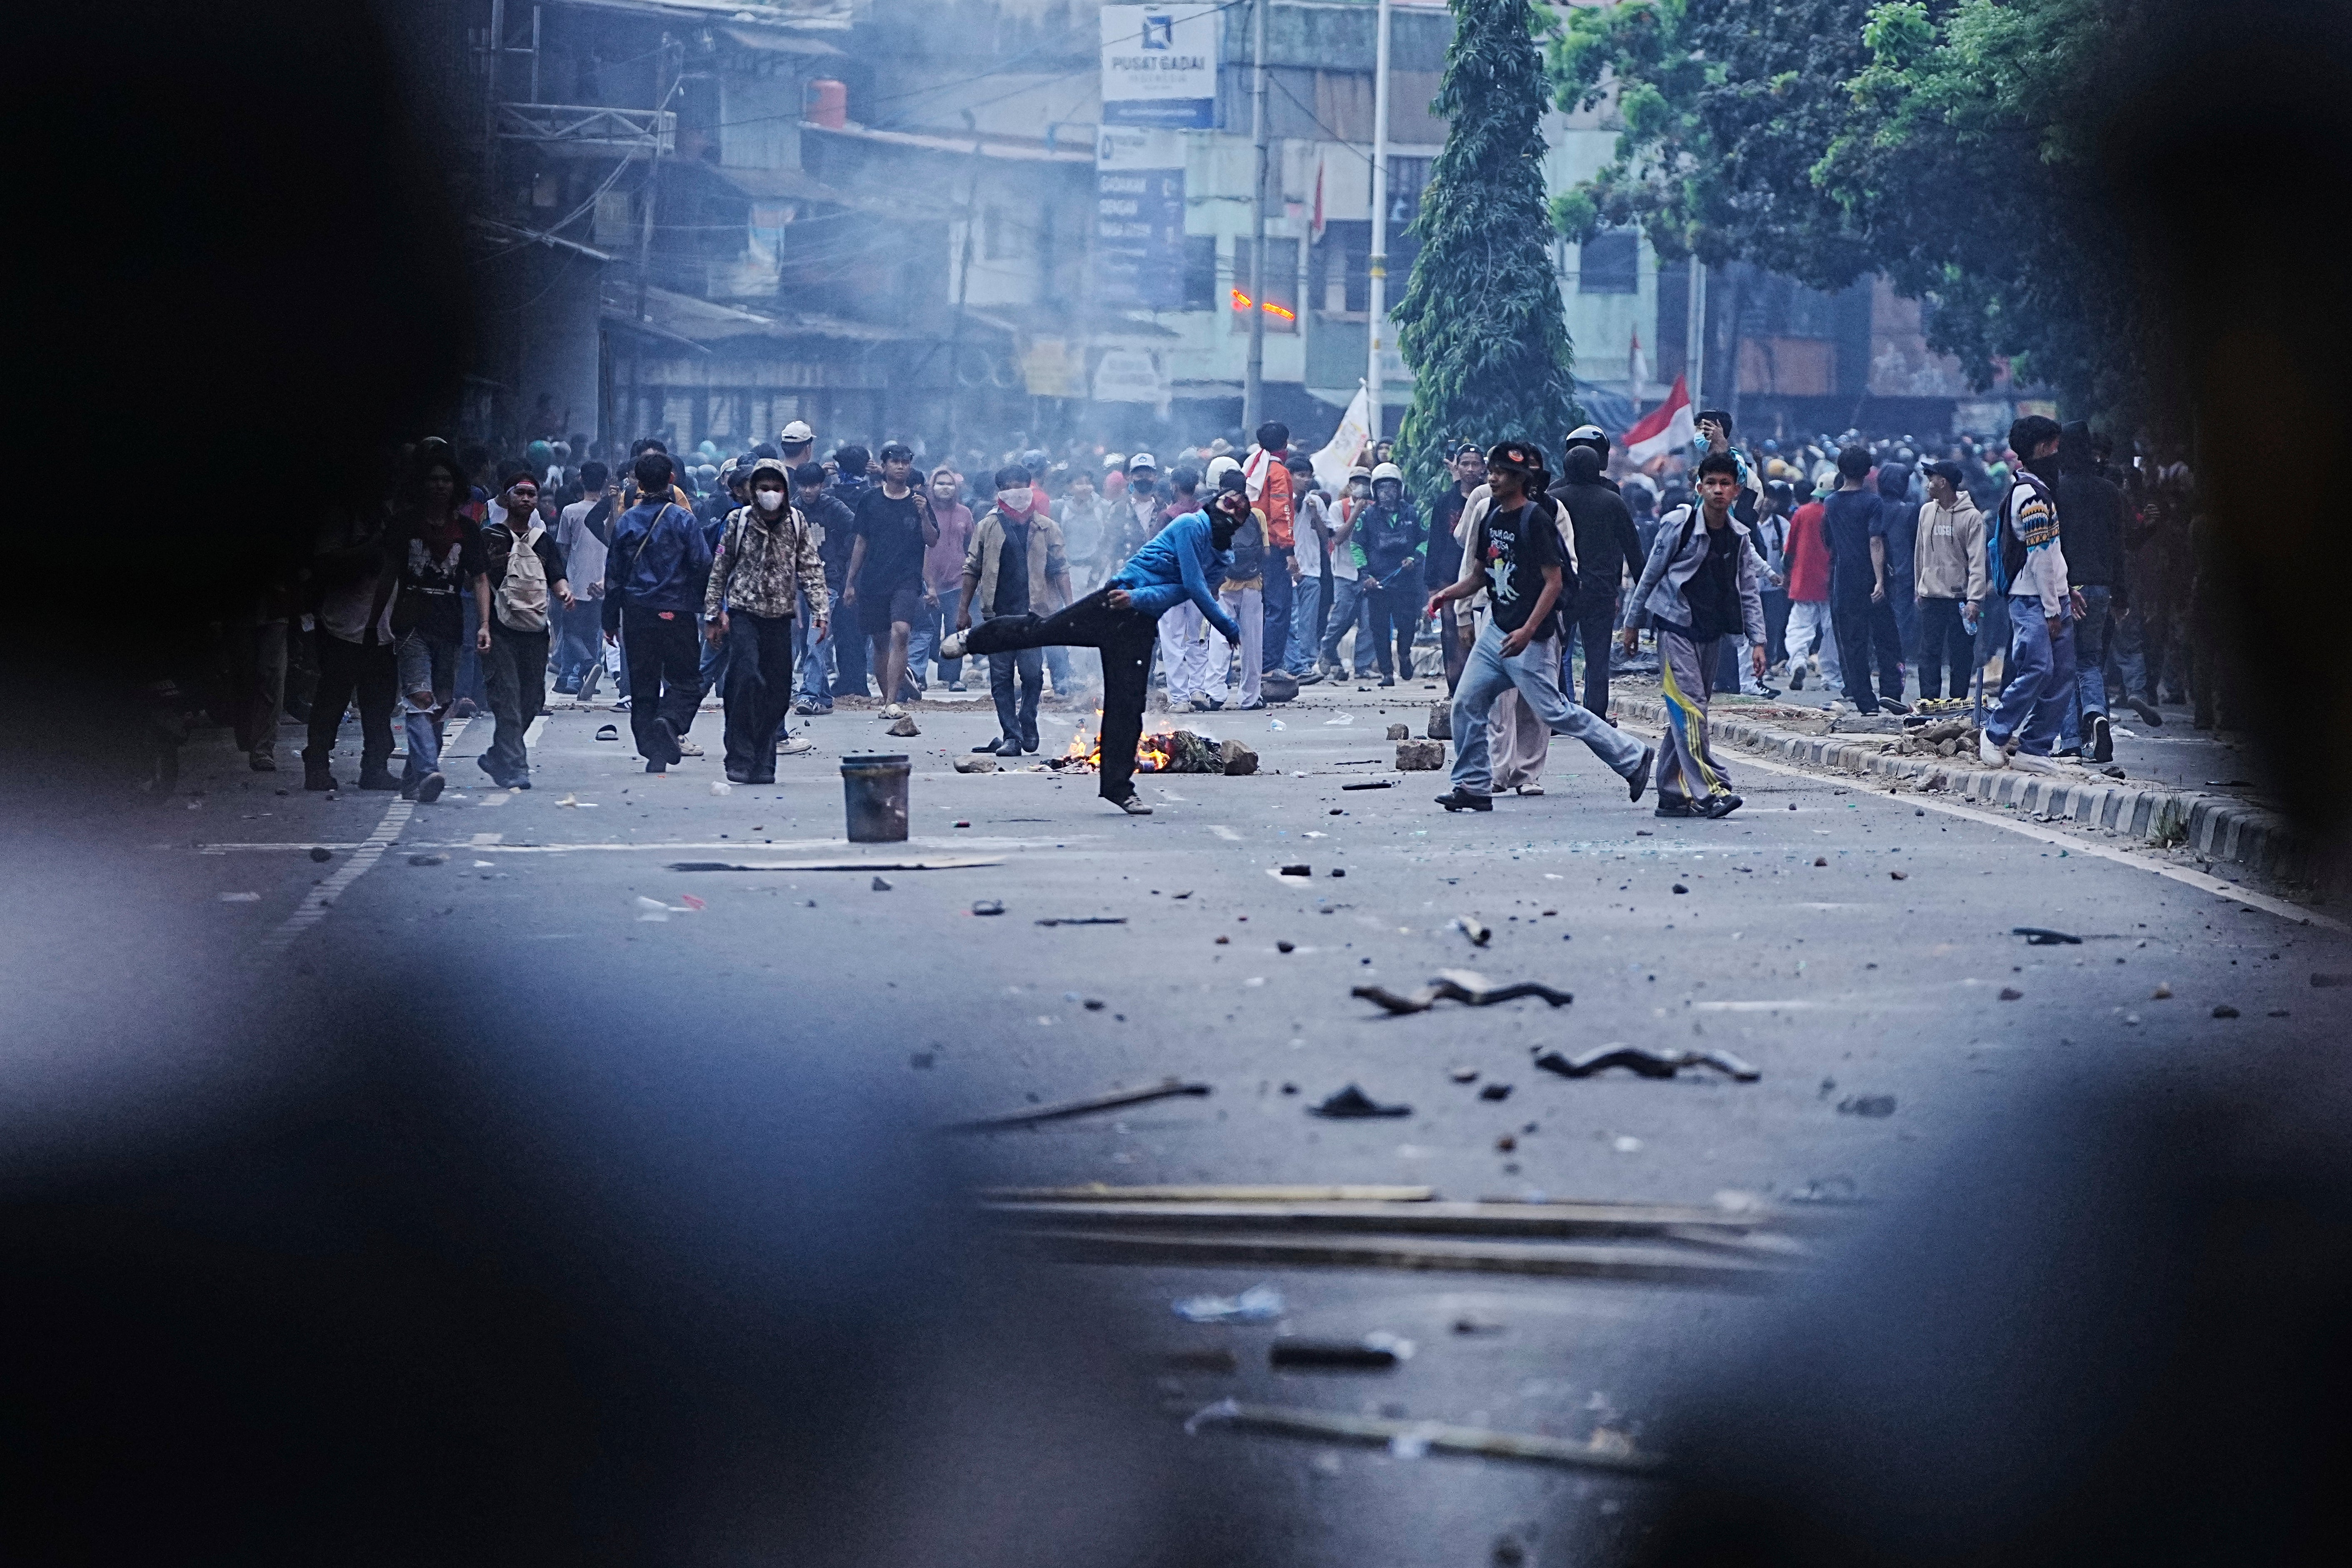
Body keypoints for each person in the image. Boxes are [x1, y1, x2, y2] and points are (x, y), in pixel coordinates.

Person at [938, 480, 1248, 816]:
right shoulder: (1190, 525)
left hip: (1140, 619)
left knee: (1128, 706)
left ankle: (1119, 789)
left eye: (1238, 510)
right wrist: (1228, 626)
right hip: (1114, 602)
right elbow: (1192, 582)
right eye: (1227, 504)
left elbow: (1182, 592)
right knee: (1042, 631)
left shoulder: (1223, 557)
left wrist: (1141, 599)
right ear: (1213, 504)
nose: (1230, 511)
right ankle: (974, 639)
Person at [1427, 442, 1654, 813]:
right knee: (1467, 703)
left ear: (1520, 480)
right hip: (1497, 632)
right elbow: (1481, 576)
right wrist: (1447, 597)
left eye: (1500, 473)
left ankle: (1633, 757)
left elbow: (1556, 582)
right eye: (1491, 471)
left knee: (1555, 712)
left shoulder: (1536, 521)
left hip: (1533, 637)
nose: (1492, 479)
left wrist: (1529, 630)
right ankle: (1472, 785)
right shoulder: (1490, 518)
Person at [1620, 451, 1768, 818]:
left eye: (1726, 484)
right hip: (1675, 628)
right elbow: (1651, 574)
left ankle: (1671, 794)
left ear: (1736, 491)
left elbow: (1748, 590)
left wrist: (1759, 641)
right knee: (1689, 710)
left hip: (1712, 631)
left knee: (1687, 711)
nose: (1718, 491)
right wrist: (1632, 623)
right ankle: (1711, 789)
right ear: (1699, 487)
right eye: (1712, 484)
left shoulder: (1739, 537)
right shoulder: (1678, 524)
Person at [705, 458, 827, 785]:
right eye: (764, 488)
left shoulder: (797, 522)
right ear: (753, 490)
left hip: (780, 616)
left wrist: (820, 611)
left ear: (785, 491)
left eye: (776, 488)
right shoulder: (738, 521)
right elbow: (720, 568)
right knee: (746, 678)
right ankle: (740, 757)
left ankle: (764, 762)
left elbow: (811, 568)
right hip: (744, 613)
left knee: (777, 691)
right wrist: (713, 613)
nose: (770, 494)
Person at [375, 449, 487, 803]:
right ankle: (426, 771)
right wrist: (376, 618)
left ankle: (414, 776)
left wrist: (484, 624)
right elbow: (389, 573)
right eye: (433, 479)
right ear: (422, 486)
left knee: (441, 704)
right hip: (411, 621)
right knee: (419, 697)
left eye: (446, 480)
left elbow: (480, 578)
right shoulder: (405, 525)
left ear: (456, 487)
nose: (439, 486)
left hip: (450, 623)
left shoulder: (466, 530)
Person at [1978, 414, 2081, 773]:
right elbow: (2038, 560)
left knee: (2063, 671)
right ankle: (1995, 733)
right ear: (2042, 448)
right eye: (2055, 446)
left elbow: (2052, 554)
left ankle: (2035, 747)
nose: (2059, 453)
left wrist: (2066, 592)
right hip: (2032, 599)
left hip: (2052, 597)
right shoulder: (2031, 497)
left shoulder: (2041, 491)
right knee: (2038, 667)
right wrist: (2053, 609)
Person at [602, 451, 712, 774]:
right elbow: (703, 564)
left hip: (637, 614)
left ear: (637, 482)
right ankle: (670, 721)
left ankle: (653, 748)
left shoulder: (627, 521)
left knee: (643, 681)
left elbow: (614, 575)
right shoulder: (684, 520)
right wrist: (706, 607)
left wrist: (609, 619)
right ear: (672, 480)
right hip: (677, 612)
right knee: (688, 680)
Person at [956, 465, 1069, 754]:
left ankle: (1027, 719)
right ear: (1000, 492)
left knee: (1033, 675)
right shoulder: (986, 527)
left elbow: (1060, 571)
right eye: (1008, 486)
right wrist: (963, 610)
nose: (1015, 491)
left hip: (1034, 616)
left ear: (1030, 488)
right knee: (1001, 678)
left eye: (1020, 485)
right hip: (998, 616)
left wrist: (1071, 609)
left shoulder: (1047, 527)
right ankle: (1012, 737)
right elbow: (972, 569)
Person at [476, 470, 572, 789]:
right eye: (521, 493)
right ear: (507, 498)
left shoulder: (543, 540)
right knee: (507, 698)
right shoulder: (490, 537)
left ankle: (497, 756)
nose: (527, 500)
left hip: (534, 629)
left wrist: (564, 592)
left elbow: (556, 574)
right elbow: (477, 582)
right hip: (502, 630)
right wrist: (485, 625)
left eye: (532, 494)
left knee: (532, 700)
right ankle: (517, 766)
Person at [302, 505, 399, 793]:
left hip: (382, 625)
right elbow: (325, 564)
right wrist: (372, 548)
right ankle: (318, 763)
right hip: (345, 623)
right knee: (333, 699)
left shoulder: (388, 516)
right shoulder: (342, 521)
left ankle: (375, 767)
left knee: (379, 703)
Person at [844, 442, 938, 720]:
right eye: (894, 461)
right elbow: (861, 542)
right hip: (873, 580)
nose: (900, 466)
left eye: (905, 462)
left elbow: (932, 540)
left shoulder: (919, 501)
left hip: (906, 580)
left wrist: (923, 514)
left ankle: (894, 700)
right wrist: (850, 583)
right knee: (881, 641)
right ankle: (887, 700)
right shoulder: (870, 501)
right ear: (883, 466)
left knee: (901, 632)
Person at [2052, 421, 2127, 762]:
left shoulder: (2057, 490)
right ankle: (2097, 714)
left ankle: (2070, 742)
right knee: (2090, 660)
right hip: (2102, 588)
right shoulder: (2111, 492)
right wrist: (2121, 596)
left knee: (2066, 664)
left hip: (2068, 587)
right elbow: (2118, 547)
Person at [1557, 440, 1645, 719]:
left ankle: (1559, 712)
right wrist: (1644, 591)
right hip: (1601, 590)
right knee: (1598, 657)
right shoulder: (1612, 501)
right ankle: (1596, 713)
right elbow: (1632, 548)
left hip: (1563, 589)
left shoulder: (1555, 499)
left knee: (1556, 653)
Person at [1823, 445, 1904, 714]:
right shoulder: (1872, 502)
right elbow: (1875, 541)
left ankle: (1865, 702)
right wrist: (1881, 580)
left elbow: (1828, 540)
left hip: (1844, 580)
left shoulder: (1831, 502)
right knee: (1886, 638)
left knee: (1853, 644)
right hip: (1870, 578)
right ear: (1869, 471)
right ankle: (1891, 692)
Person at [1913, 460, 1989, 701]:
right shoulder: (1926, 512)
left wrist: (1975, 600)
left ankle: (1957, 703)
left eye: (1931, 479)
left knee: (1961, 655)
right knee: (1929, 654)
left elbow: (1978, 562)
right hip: (1931, 596)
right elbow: (1920, 553)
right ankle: (1929, 704)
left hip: (1961, 600)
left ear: (1943, 482)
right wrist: (1919, 587)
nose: (1928, 485)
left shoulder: (1972, 517)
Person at [791, 460, 856, 715]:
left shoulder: (834, 507)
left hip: (828, 581)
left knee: (816, 638)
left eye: (814, 486)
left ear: (822, 485)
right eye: (804, 486)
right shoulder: (793, 509)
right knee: (807, 638)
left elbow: (858, 530)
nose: (808, 491)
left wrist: (841, 559)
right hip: (799, 581)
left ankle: (808, 694)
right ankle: (824, 697)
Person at [1356, 462, 1424, 687]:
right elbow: (1356, 547)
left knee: (1407, 624)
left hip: (1407, 581)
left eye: (1391, 488)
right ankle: (1386, 672)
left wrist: (1414, 558)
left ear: (1399, 489)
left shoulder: (1413, 514)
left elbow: (1426, 541)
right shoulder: (1367, 516)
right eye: (1382, 489)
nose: (1387, 494)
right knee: (1379, 629)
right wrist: (1366, 575)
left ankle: (1404, 655)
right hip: (1379, 582)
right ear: (1376, 491)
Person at [1207, 465, 1268, 710]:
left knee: (1220, 638)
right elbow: (1266, 552)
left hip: (1223, 584)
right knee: (1252, 641)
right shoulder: (1257, 515)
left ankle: (1215, 693)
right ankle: (1250, 697)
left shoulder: (1213, 514)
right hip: (1252, 584)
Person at [1426, 442, 1483, 692]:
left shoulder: (1488, 499)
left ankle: (1477, 687)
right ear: (1458, 467)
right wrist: (1432, 586)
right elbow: (1435, 542)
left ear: (1483, 468)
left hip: (1479, 575)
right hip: (1448, 576)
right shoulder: (1445, 502)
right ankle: (1455, 687)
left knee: (1478, 632)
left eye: (1475, 464)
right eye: (1465, 464)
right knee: (1451, 633)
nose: (1470, 469)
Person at [553, 461, 614, 695]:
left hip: (576, 580)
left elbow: (564, 548)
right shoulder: (611, 512)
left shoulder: (571, 511)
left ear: (581, 479)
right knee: (591, 631)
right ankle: (577, 677)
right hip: (603, 580)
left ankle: (586, 667)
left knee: (570, 631)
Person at [912, 465, 973, 692]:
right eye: (940, 483)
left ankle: (952, 678)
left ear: (956, 488)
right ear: (932, 487)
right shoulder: (922, 511)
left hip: (957, 582)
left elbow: (971, 545)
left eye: (949, 484)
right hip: (927, 583)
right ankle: (919, 676)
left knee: (955, 632)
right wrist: (929, 584)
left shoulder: (965, 513)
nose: (945, 488)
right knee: (927, 631)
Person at [1242, 420, 1294, 677]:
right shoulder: (1278, 473)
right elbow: (1281, 514)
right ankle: (1270, 666)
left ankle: (1253, 663)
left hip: (1249, 547)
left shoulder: (1252, 468)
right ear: (1285, 444)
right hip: (1273, 548)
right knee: (1278, 607)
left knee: (1255, 607)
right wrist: (1290, 552)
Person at [1318, 467, 1376, 681]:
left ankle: (1363, 665)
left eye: (1365, 482)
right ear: (1350, 484)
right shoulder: (1338, 508)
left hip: (1367, 571)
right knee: (1341, 618)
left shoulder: (1375, 509)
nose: (1360, 486)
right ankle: (1328, 649)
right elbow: (1338, 538)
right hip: (1344, 570)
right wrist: (1356, 513)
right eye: (1356, 482)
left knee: (1368, 619)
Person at [1782, 481, 1839, 691]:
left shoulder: (1802, 512)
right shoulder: (1837, 514)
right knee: (1832, 630)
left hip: (1803, 580)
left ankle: (1798, 661)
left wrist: (1787, 576)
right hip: (1831, 582)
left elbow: (1789, 551)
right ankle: (1832, 677)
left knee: (1799, 627)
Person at [1282, 453, 1329, 682]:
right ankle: (1293, 664)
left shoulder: (1316, 501)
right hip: (1287, 568)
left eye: (1309, 476)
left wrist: (1313, 513)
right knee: (1290, 619)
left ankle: (1307, 662)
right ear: (1289, 477)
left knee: (1308, 621)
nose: (1307, 480)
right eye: (1301, 476)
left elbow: (1325, 537)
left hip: (1311, 568)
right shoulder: (1281, 500)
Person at [1875, 460, 1920, 671]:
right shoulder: (1910, 510)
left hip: (1876, 570)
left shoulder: (1873, 506)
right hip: (1903, 570)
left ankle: (1878, 657)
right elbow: (1915, 543)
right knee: (1901, 615)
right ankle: (1897, 659)